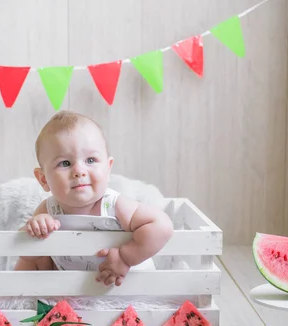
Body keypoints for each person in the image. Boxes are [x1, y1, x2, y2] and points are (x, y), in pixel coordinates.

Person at [14, 110, 173, 286]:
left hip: (128, 287)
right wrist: (36, 226)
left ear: (108, 168)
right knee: (35, 253)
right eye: (65, 163)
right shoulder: (49, 209)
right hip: (76, 287)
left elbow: (162, 225)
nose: (79, 171)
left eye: (90, 160)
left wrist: (125, 256)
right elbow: (24, 250)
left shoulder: (115, 205)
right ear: (43, 179)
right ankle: (17, 295)